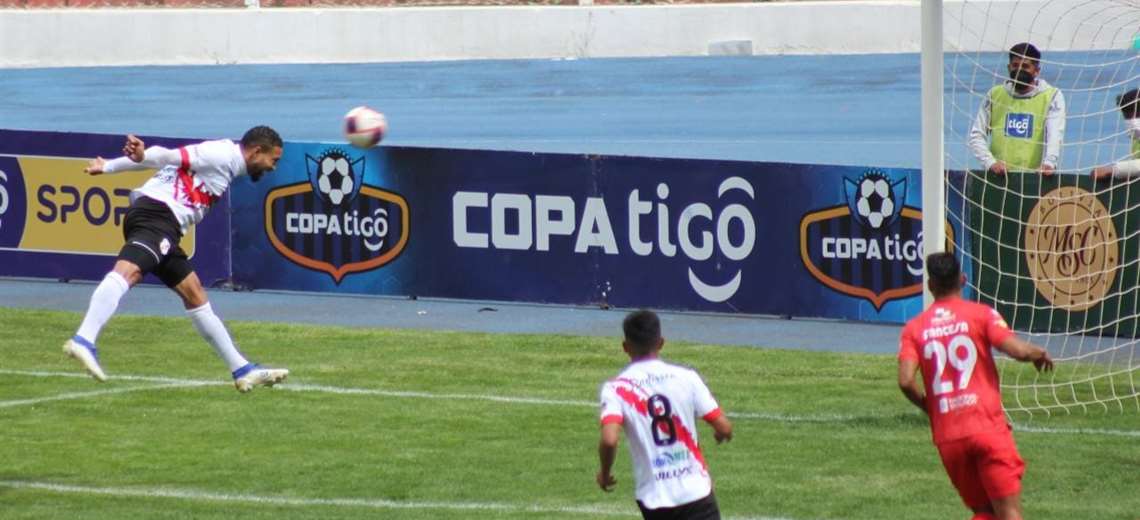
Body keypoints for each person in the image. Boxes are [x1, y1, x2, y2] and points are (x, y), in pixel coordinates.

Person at [64, 127, 289, 393]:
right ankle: (84, 338)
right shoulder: (220, 154)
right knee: (128, 272)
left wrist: (109, 166)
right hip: (157, 216)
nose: (273, 168)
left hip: (164, 224)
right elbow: (165, 156)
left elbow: (157, 161)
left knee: (195, 294)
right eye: (273, 160)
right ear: (256, 151)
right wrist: (140, 154)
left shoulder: (228, 163)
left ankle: (241, 369)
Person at [898, 252, 1054, 520]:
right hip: (986, 428)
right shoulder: (980, 315)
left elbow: (905, 381)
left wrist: (931, 408)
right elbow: (1015, 350)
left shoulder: (914, 328)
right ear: (963, 279)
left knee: (984, 512)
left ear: (930, 286)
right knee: (1008, 512)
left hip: (949, 436)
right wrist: (1036, 352)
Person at [596, 310, 733, 520]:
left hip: (655, 499)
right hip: (695, 492)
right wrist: (721, 434)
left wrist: (605, 473)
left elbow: (609, 439)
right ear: (661, 342)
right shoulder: (687, 378)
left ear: (625, 347)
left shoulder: (617, 389)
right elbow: (723, 427)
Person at [968, 42, 1067, 176]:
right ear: (1009, 67)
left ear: (1037, 70)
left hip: (1036, 179)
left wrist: (1049, 163)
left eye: (1025, 66)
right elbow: (976, 135)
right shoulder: (994, 95)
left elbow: (1054, 134)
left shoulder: (1052, 96)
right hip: (998, 179)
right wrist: (991, 163)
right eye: (1015, 65)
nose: (1019, 70)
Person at [1092, 88, 1140, 180]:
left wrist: (1113, 170)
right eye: (1127, 116)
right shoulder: (1136, 139)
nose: (1132, 121)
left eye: (1137, 115)